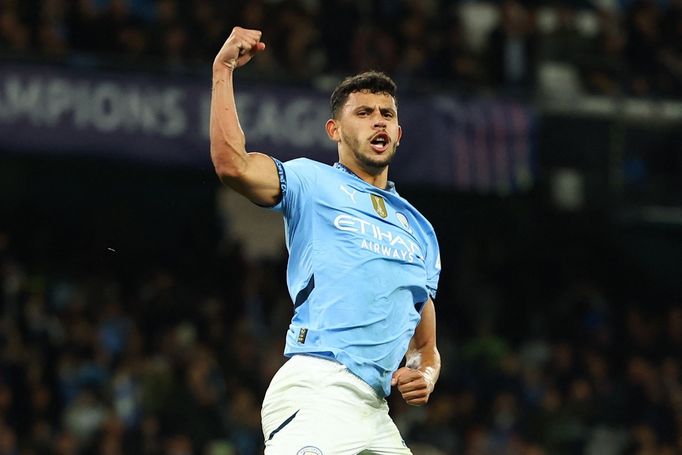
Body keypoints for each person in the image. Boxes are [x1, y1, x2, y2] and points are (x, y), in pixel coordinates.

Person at [210, 26, 442, 454]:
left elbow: (425, 346)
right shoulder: (310, 181)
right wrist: (223, 70)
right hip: (318, 388)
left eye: (387, 115)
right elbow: (233, 165)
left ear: (398, 133)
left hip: (375, 410)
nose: (378, 121)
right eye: (365, 112)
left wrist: (422, 373)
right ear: (334, 129)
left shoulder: (420, 232)